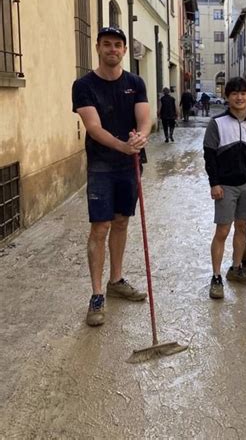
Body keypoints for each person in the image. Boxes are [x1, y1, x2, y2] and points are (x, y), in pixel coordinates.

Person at [72, 26, 152, 327]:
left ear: (124, 50)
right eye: (107, 44)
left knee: (121, 222)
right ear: (98, 48)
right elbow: (93, 127)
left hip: (130, 165)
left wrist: (140, 139)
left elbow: (145, 117)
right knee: (100, 228)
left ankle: (115, 281)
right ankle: (96, 295)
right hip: (102, 165)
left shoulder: (135, 82)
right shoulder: (83, 85)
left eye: (118, 45)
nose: (113, 50)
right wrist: (123, 146)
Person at [203, 77, 246, 300]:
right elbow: (210, 157)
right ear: (227, 97)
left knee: (242, 228)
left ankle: (236, 268)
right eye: (234, 93)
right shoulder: (217, 124)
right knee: (222, 231)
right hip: (225, 186)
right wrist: (214, 183)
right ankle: (216, 277)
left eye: (243, 93)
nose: (239, 97)